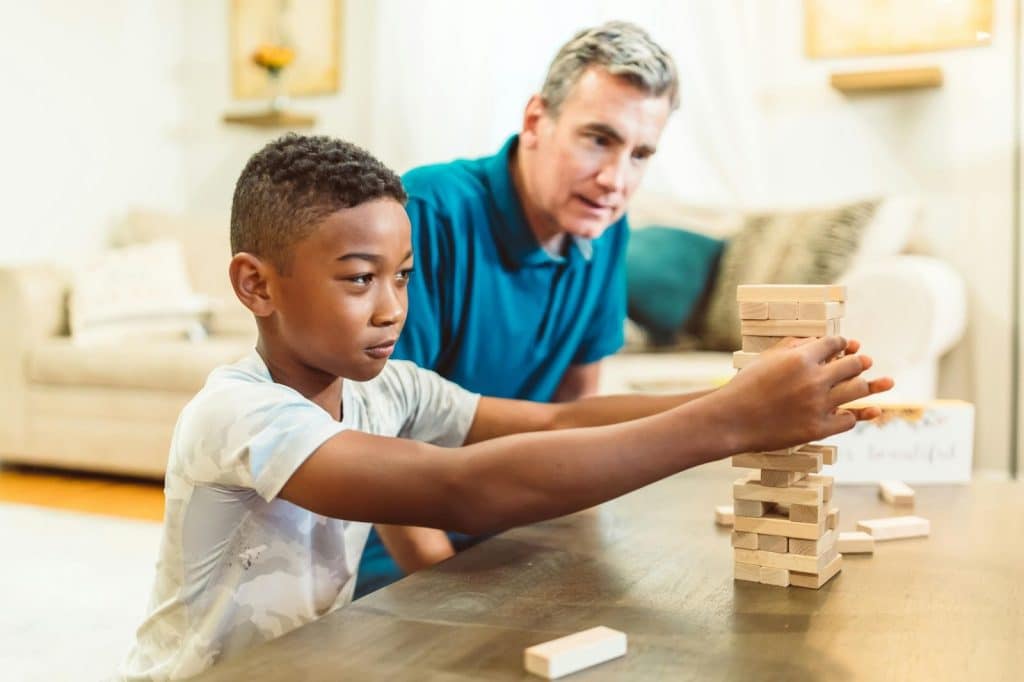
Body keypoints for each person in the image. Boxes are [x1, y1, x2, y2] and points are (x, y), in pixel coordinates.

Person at [122, 134, 891, 679]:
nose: (391, 306)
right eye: (359, 279)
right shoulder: (239, 415)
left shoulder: (386, 389)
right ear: (256, 285)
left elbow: (555, 420)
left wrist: (741, 395)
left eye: (404, 275)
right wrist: (734, 422)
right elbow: (462, 487)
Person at [357, 20, 682, 594]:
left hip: (509, 528)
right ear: (536, 121)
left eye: (640, 154)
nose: (615, 179)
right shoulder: (427, 212)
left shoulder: (606, 230)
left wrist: (576, 560)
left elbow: (577, 412)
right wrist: (454, 598)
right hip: (386, 544)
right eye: (598, 139)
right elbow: (379, 441)